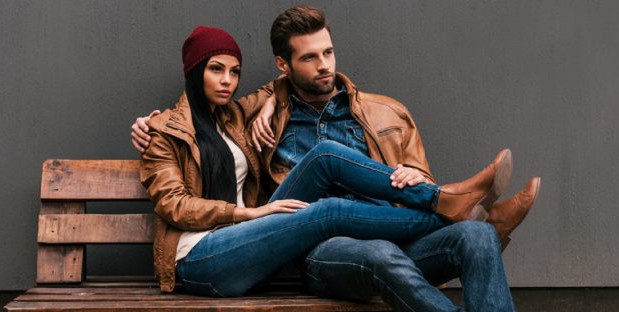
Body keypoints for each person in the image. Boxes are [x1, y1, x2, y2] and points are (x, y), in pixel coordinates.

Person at [135, 7, 540, 311]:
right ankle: (455, 208)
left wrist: (415, 177)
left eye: (328, 52)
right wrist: (153, 126)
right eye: (310, 58)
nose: (325, 64)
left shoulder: (386, 114)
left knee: (478, 237)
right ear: (284, 65)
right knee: (336, 183)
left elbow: (417, 172)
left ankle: (459, 212)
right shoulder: (225, 118)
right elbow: (175, 194)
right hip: (319, 248)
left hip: (391, 234)